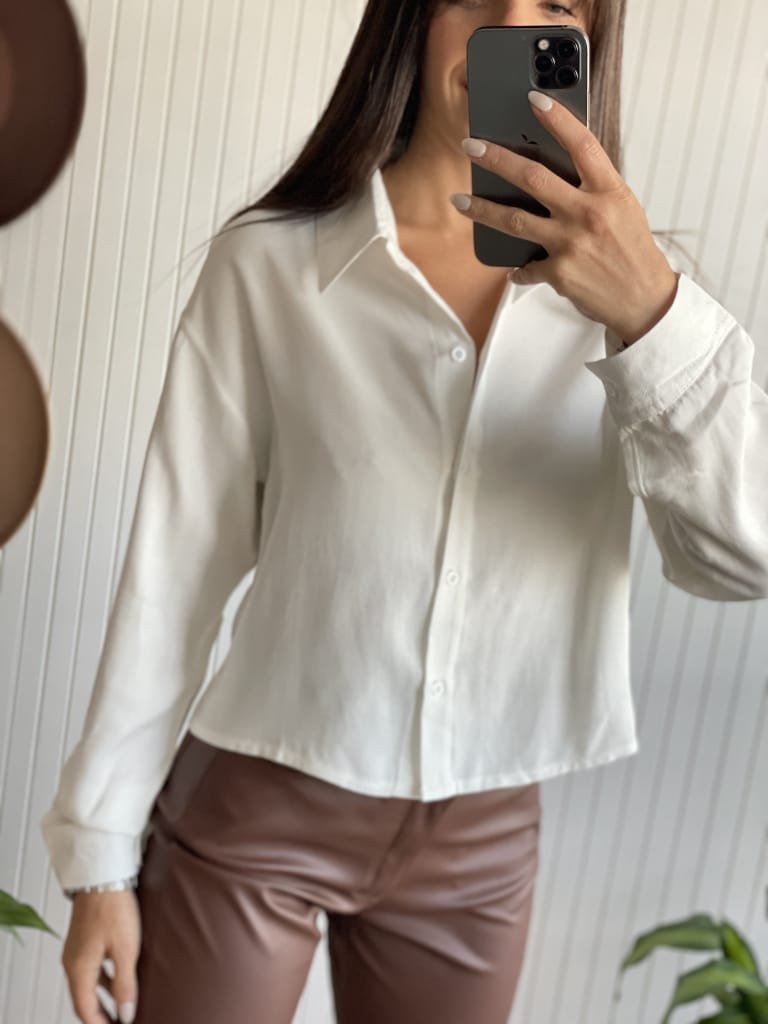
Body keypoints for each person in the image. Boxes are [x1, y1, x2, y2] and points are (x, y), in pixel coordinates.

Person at [41, 0, 768, 1022]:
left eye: (556, 6)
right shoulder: (271, 267)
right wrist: (100, 861)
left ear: (590, 44)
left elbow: (742, 556)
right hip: (261, 803)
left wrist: (650, 314)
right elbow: (176, 571)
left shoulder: (640, 301)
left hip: (478, 850)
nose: (509, 24)